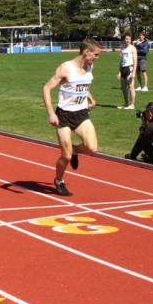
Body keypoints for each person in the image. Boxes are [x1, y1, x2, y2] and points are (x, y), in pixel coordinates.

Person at [42, 37, 102, 196]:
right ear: (86, 52)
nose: (97, 58)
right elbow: (46, 89)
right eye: (96, 54)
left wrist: (90, 97)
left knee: (92, 147)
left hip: (81, 114)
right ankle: (59, 179)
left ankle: (76, 150)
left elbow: (83, 84)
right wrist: (51, 113)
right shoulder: (66, 68)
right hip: (64, 116)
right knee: (66, 155)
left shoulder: (90, 66)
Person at [117, 32, 137, 109]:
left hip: (130, 68)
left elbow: (135, 61)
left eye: (128, 39)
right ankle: (126, 103)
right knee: (123, 88)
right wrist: (119, 72)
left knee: (131, 87)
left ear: (131, 39)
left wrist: (133, 72)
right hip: (123, 69)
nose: (127, 40)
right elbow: (121, 60)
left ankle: (132, 105)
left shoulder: (133, 48)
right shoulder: (122, 48)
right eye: (125, 39)